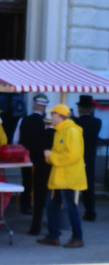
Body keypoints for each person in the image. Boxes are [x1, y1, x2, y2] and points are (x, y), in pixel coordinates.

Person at [38, 104, 86, 248]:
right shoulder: (60, 131)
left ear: (58, 115)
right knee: (51, 206)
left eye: (52, 114)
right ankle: (53, 236)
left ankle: (77, 237)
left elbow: (73, 155)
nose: (50, 117)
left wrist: (51, 156)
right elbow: (61, 154)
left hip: (67, 177)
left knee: (69, 207)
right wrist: (50, 157)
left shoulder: (71, 131)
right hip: (59, 177)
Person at [16, 93, 54, 233]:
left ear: (33, 105)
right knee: (43, 191)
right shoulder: (50, 130)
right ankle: (48, 223)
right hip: (43, 161)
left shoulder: (23, 120)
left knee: (26, 181)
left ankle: (25, 205)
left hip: (26, 156)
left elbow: (16, 139)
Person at [74, 96, 100, 221]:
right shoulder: (97, 122)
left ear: (79, 109)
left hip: (76, 156)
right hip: (90, 157)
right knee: (89, 187)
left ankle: (70, 211)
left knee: (71, 185)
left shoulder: (76, 122)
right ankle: (90, 212)